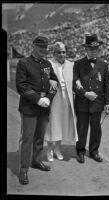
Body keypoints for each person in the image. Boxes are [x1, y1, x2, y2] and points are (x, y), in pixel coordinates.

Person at [16, 35, 58, 185]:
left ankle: (36, 161)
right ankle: (23, 169)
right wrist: (38, 99)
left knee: (40, 137)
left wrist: (48, 98)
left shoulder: (47, 63)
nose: (43, 50)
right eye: (40, 47)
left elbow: (55, 83)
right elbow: (22, 86)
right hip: (29, 107)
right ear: (33, 46)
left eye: (45, 47)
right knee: (27, 138)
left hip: (44, 106)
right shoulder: (24, 63)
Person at [73, 34, 109, 164]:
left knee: (96, 130)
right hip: (82, 102)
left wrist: (107, 102)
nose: (94, 51)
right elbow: (74, 83)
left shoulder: (103, 64)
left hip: (97, 103)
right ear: (86, 50)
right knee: (81, 129)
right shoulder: (78, 64)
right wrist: (85, 93)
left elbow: (106, 84)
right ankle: (81, 152)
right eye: (91, 49)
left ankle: (94, 151)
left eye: (96, 49)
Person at [45, 41, 78, 162]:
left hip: (67, 99)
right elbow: (43, 79)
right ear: (54, 53)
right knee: (52, 124)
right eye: (59, 52)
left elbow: (75, 81)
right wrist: (49, 81)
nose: (61, 54)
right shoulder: (48, 63)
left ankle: (57, 149)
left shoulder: (71, 65)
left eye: (63, 52)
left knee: (62, 124)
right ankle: (49, 149)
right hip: (54, 98)